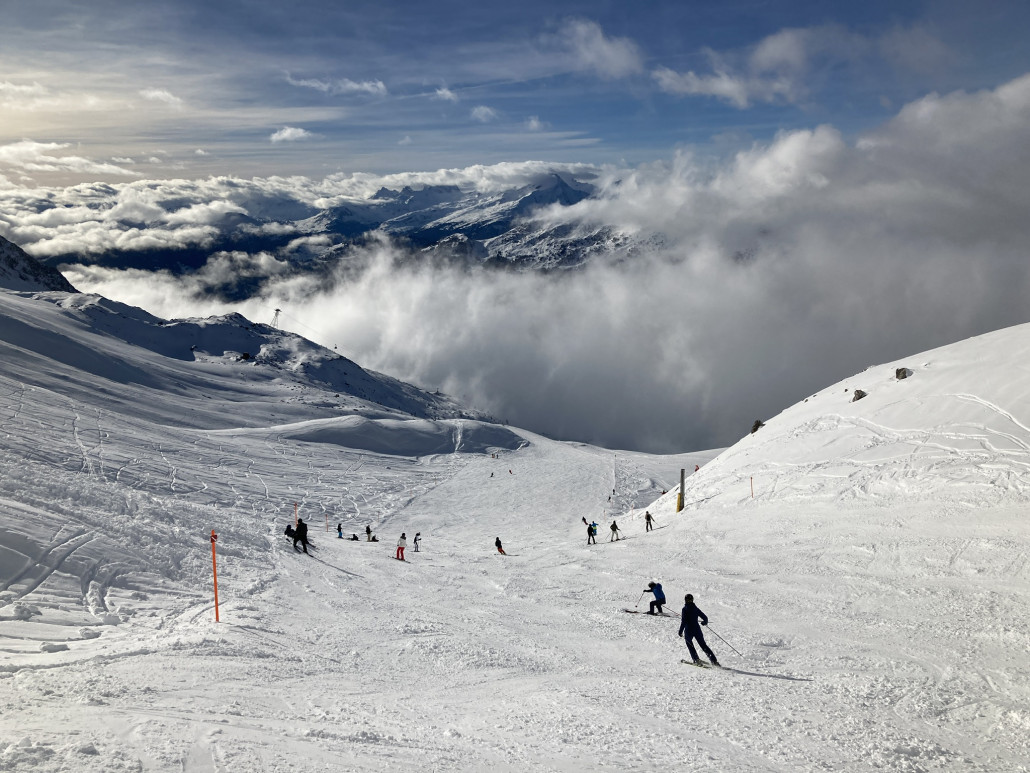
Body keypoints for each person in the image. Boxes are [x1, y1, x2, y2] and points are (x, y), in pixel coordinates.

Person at [678, 593, 719, 666]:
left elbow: (684, 621)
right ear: (692, 600)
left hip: (688, 630)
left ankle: (696, 659)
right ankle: (714, 661)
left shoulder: (685, 609)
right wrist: (704, 622)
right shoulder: (695, 608)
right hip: (697, 629)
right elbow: (705, 618)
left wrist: (680, 631)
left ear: (685, 600)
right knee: (703, 645)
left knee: (690, 644)